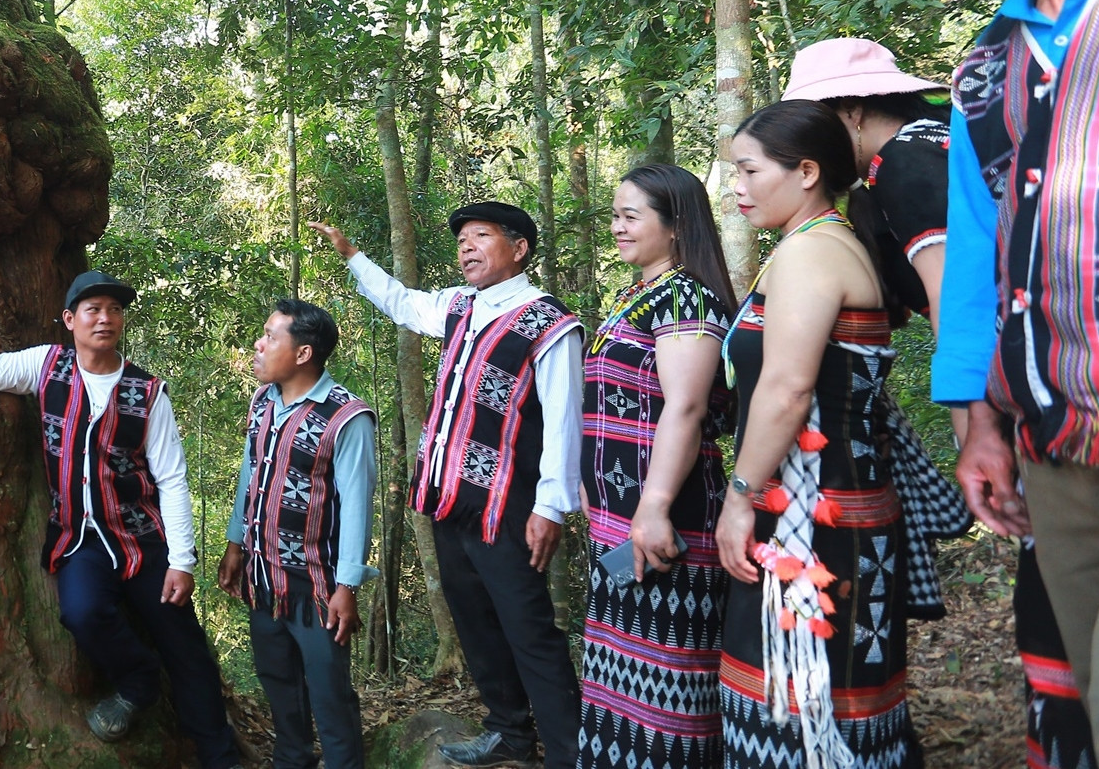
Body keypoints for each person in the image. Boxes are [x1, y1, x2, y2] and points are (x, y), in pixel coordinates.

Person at [785, 38, 1084, 761]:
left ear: (851, 115)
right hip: (1058, 381)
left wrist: (975, 436)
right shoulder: (940, 143)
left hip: (1035, 400)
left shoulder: (910, 166)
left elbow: (959, 304)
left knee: (1060, 612)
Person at [0, 271, 242, 769]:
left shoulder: (148, 393)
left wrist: (182, 562)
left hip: (143, 538)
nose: (105, 318)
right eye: (93, 309)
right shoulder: (47, 366)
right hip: (78, 537)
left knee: (185, 647)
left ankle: (220, 756)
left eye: (114, 309)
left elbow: (171, 479)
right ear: (70, 320)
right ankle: (138, 681)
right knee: (81, 613)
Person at [938, 0, 1099, 767]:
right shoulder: (988, 67)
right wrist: (979, 423)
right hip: (1057, 437)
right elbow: (979, 256)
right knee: (1089, 687)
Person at [310, 203, 584, 769]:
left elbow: (565, 419)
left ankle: (568, 752)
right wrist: (352, 256)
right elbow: (403, 305)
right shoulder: (459, 307)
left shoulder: (549, 323)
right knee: (475, 620)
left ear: (519, 248)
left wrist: (553, 507)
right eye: (461, 238)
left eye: (480, 236)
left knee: (528, 629)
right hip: (448, 498)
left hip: (507, 507)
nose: (466, 247)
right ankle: (509, 732)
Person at [715, 101, 922, 769]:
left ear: (806, 171)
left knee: (805, 708)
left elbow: (786, 389)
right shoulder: (822, 245)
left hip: (814, 524)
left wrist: (739, 495)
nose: (736, 188)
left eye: (748, 171)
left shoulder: (811, 256)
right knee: (829, 699)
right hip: (834, 513)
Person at [576, 164, 734, 769]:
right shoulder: (633, 296)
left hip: (667, 512)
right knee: (619, 674)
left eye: (630, 216)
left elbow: (688, 405)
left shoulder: (686, 295)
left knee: (668, 678)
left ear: (675, 227)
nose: (617, 227)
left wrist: (653, 505)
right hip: (622, 517)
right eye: (614, 215)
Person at [216, 299, 375, 769]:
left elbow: (357, 506)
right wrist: (234, 543)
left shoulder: (347, 416)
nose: (258, 345)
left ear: (303, 353)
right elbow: (250, 474)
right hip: (263, 578)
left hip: (316, 587)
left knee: (328, 692)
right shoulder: (262, 402)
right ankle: (292, 760)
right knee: (278, 680)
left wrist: (347, 587)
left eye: (270, 336)